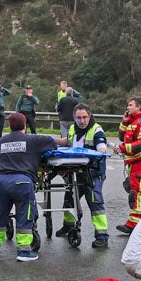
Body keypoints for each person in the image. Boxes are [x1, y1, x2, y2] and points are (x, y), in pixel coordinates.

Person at [0, 112, 57, 261]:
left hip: (1, 181)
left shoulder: (2, 141)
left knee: (0, 213)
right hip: (22, 181)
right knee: (24, 214)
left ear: (10, 125)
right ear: (25, 125)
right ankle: (24, 251)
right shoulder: (32, 139)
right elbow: (52, 143)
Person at [55, 103, 111, 248]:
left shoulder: (96, 130)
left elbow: (101, 147)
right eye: (78, 118)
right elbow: (67, 142)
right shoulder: (73, 128)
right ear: (74, 117)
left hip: (93, 173)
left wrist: (102, 150)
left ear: (89, 116)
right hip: (76, 172)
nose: (82, 121)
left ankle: (102, 236)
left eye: (84, 117)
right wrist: (50, 140)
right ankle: (68, 226)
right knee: (69, 199)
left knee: (95, 202)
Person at [116, 96, 141, 234]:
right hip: (135, 163)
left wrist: (122, 148)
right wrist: (124, 121)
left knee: (137, 194)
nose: (128, 107)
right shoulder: (132, 121)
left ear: (139, 107)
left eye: (130, 105)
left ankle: (133, 224)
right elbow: (121, 137)